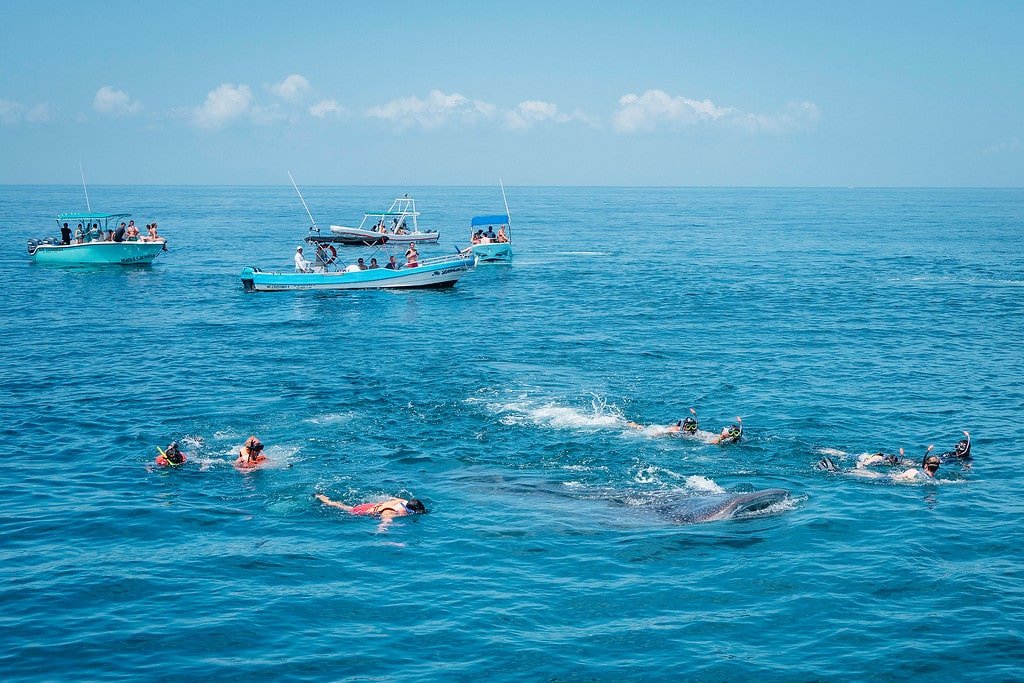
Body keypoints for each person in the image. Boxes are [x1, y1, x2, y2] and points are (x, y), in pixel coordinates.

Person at [316, 493, 426, 530]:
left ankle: (326, 499)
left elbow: (392, 498)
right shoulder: (391, 511)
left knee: (345, 506)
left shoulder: (403, 501)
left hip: (372, 505)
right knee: (346, 509)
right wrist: (382, 531)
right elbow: (385, 521)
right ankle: (325, 500)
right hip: (362, 510)